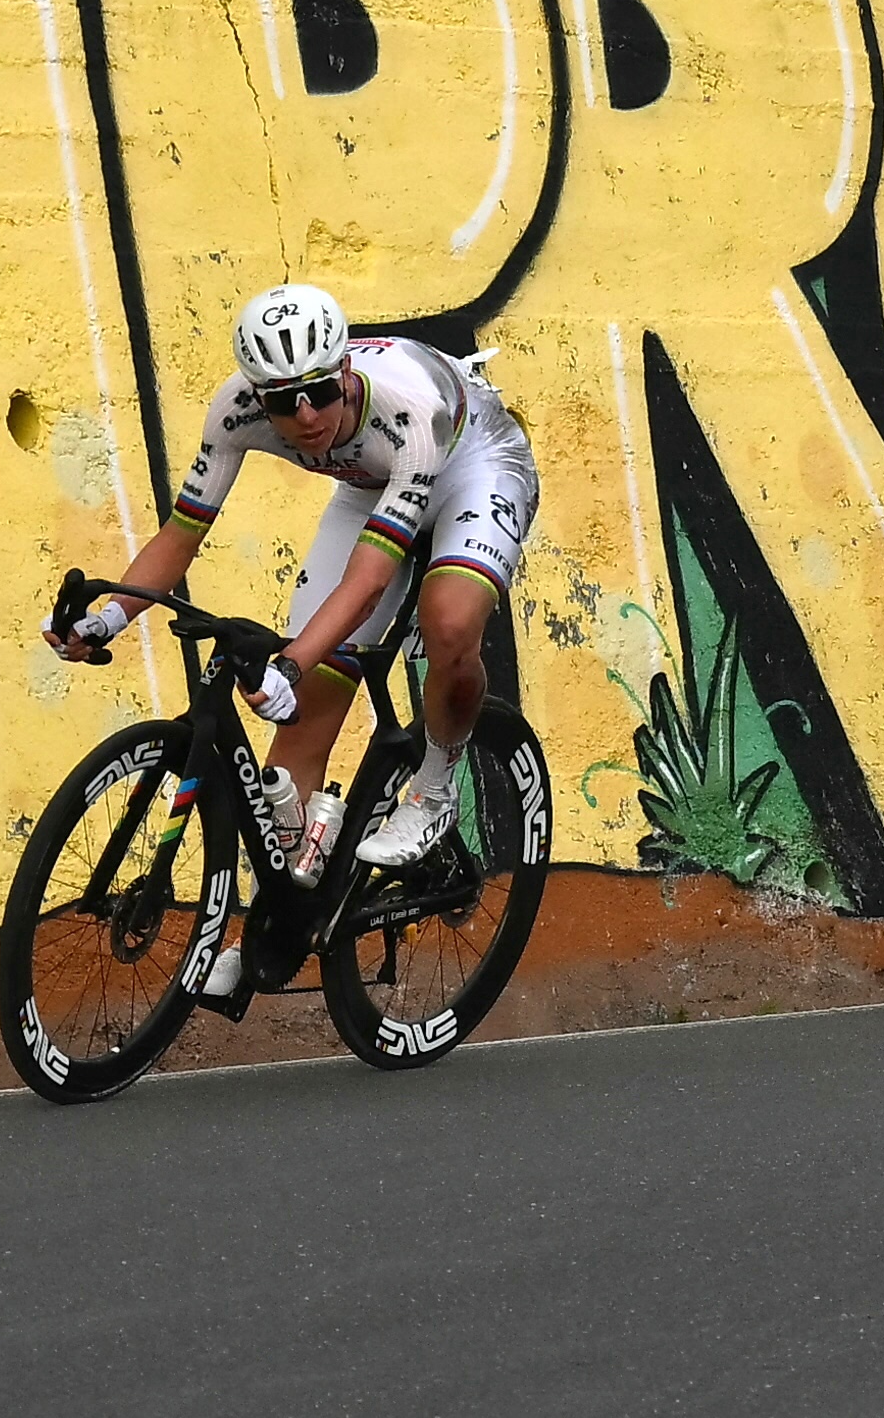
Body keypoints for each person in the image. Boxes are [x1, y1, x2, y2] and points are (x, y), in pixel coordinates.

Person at [46, 284, 538, 991]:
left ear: (343, 373)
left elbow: (371, 577)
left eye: (317, 393)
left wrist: (292, 659)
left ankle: (432, 793)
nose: (303, 417)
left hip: (470, 461)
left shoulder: (407, 406)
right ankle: (277, 927)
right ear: (257, 395)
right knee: (301, 723)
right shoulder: (237, 407)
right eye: (282, 402)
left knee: (450, 622)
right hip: (373, 485)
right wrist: (106, 619)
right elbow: (182, 532)